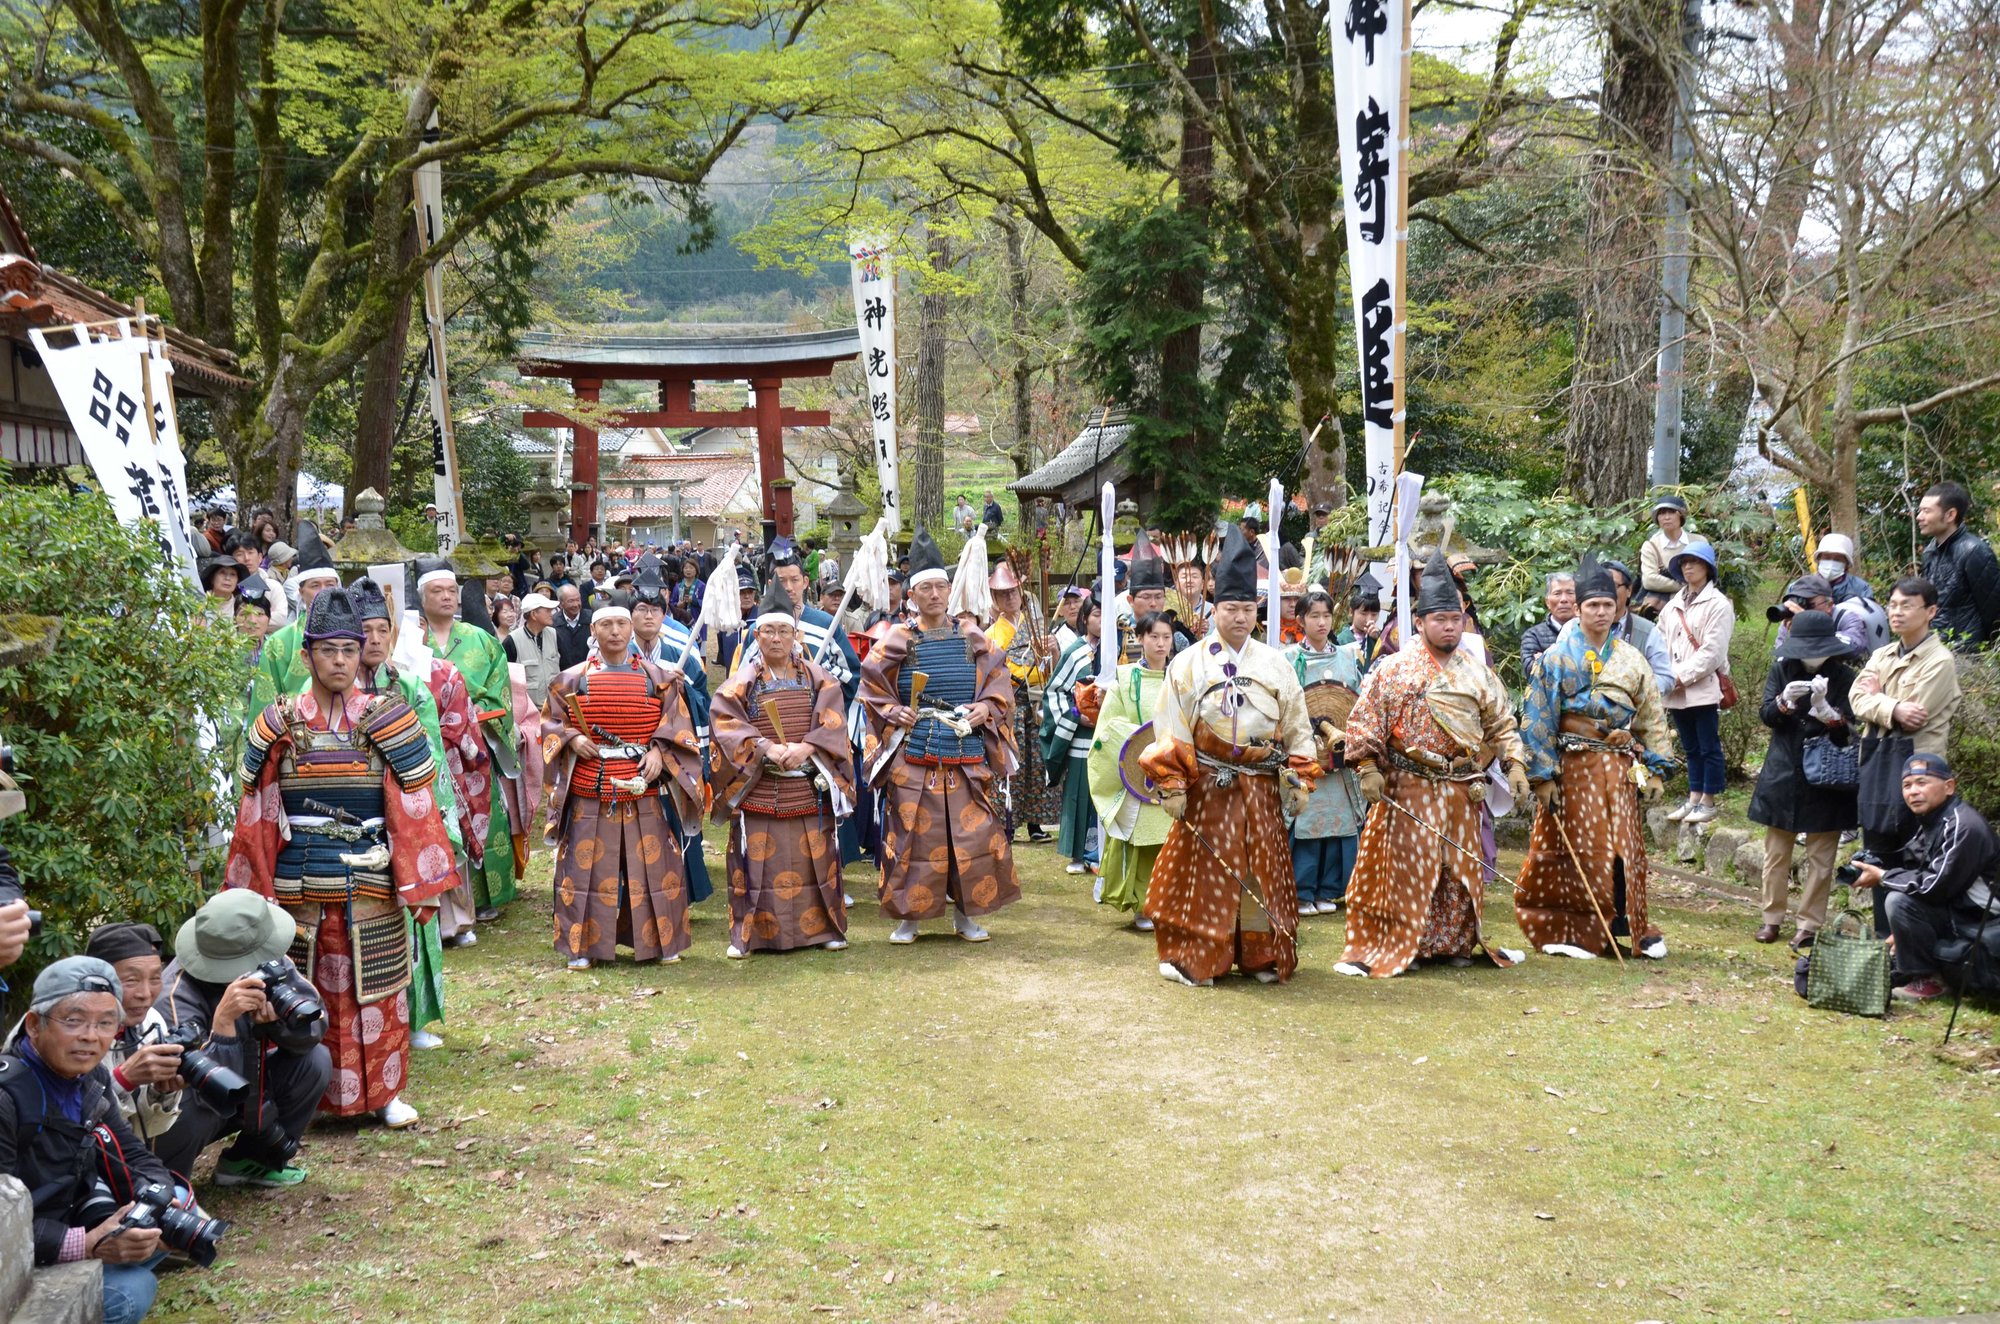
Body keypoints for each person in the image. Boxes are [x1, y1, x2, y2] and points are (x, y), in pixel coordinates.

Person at [224, 587, 455, 1129]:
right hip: (297, 882)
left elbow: (414, 808)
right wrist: (252, 892)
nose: (340, 661)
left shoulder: (388, 718)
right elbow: (256, 813)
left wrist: (417, 883)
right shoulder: (278, 722)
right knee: (300, 990)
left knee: (377, 986)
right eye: (327, 650)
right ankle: (304, 1100)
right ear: (306, 655)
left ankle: (385, 1093)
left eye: (349, 650)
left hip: (370, 876)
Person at [1138, 525, 1318, 986]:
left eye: (1247, 609)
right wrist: (1172, 782)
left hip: (1260, 786)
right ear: (1214, 608)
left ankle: (1259, 957)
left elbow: (1297, 724)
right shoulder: (1188, 662)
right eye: (1231, 609)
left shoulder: (1276, 663)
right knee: (1203, 876)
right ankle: (1198, 956)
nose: (1240, 618)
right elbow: (1170, 726)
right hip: (1208, 787)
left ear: (1257, 610)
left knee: (1260, 874)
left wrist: (1301, 776)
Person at [1338, 549, 1527, 978]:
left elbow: (1502, 722)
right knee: (1408, 866)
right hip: (1410, 785)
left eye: (1456, 619)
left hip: (1462, 787)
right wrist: (1368, 767)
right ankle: (1405, 941)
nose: (1449, 627)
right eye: (1439, 620)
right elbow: (1365, 722)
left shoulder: (1477, 673)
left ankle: (1455, 942)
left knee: (1458, 869)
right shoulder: (1395, 669)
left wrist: (1514, 763)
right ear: (1420, 623)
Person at [858, 528, 1022, 944]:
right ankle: (908, 917)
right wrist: (895, 710)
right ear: (911, 595)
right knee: (914, 833)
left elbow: (998, 680)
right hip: (916, 747)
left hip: (966, 743)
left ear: (950, 591)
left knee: (973, 834)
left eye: (940, 586)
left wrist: (986, 707)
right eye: (925, 588)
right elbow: (871, 685)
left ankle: (967, 915)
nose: (933, 594)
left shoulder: (972, 635)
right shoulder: (897, 638)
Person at [1514, 555, 1677, 960]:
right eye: (1593, 605)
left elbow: (1652, 715)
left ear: (1618, 607)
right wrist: (1543, 776)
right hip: (1574, 767)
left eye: (1607, 605)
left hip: (1619, 768)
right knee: (1577, 848)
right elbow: (1537, 718)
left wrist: (1655, 769)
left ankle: (1627, 923)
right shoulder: (1555, 658)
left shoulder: (1631, 658)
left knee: (1625, 847)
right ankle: (1575, 927)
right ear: (1580, 609)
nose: (1601, 612)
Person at [0, 958, 173, 1324]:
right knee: (128, 1293)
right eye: (73, 1020)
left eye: (106, 1023)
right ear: (34, 1025)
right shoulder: (7, 1096)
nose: (90, 1036)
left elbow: (133, 1155)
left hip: (67, 1217)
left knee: (166, 1224)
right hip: (14, 1250)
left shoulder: (91, 1078)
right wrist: (86, 1243)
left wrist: (157, 1203)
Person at [543, 602, 706, 971]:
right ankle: (581, 945)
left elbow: (677, 724)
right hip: (591, 783)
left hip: (641, 784)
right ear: (594, 631)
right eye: (606, 625)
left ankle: (662, 942)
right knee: (585, 869)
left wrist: (660, 752)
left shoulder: (658, 678)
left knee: (653, 864)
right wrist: (570, 738)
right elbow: (550, 721)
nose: (615, 631)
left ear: (631, 629)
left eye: (621, 624)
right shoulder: (570, 679)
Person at [707, 581, 856, 958]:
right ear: (757, 635)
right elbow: (725, 721)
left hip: (807, 783)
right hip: (762, 784)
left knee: (816, 862)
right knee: (758, 866)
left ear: (796, 634)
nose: (776, 638)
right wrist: (765, 747)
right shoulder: (744, 681)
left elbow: (835, 719)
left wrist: (808, 746)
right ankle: (751, 935)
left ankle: (824, 928)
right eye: (768, 631)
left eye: (784, 631)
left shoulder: (816, 676)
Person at [151, 893, 331, 1189]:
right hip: (196, 1106)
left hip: (249, 1091)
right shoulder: (175, 996)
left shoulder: (269, 960)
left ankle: (252, 1161)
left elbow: (314, 1022)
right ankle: (168, 1188)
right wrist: (223, 1024)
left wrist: (279, 1024)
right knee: (186, 1101)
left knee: (315, 1061)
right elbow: (191, 1087)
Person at [350, 579, 465, 1036]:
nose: (375, 640)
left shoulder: (412, 687)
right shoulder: (317, 692)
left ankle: (414, 1018)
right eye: (366, 631)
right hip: (351, 817)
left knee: (413, 915)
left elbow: (431, 755)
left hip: (408, 814)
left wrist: (435, 822)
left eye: (383, 630)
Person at [1849, 577, 1961, 932]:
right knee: (1876, 854)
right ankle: (1885, 944)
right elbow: (1855, 699)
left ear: (1930, 612)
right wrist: (1892, 707)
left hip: (1918, 774)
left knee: (1912, 856)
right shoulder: (1882, 654)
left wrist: (1879, 698)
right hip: (1878, 764)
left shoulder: (1939, 661)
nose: (1896, 612)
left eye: (1906, 605)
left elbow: (1916, 716)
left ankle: (1911, 949)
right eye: (1893, 604)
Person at [1745, 610, 1858, 949]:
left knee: (1821, 858)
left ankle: (1808, 924)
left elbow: (1848, 734)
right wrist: (1784, 701)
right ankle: (1771, 918)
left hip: (1827, 776)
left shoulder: (1844, 678)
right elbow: (1766, 715)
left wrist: (1828, 713)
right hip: (1784, 769)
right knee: (1776, 853)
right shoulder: (1782, 669)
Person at [1852, 753, 2000, 1001]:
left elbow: (1934, 886)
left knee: (1899, 900)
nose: (1913, 792)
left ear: (1949, 786)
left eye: (1922, 783)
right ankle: (1914, 971)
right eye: (1907, 785)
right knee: (1901, 897)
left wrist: (1883, 876)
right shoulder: (1933, 820)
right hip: (1957, 908)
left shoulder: (1963, 826)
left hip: (1983, 917)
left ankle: (1929, 980)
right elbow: (1915, 867)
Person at [419, 559, 519, 921]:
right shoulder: (411, 639)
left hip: (471, 741)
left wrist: (475, 711)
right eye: (437, 591)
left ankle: (488, 895)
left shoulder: (480, 638)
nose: (446, 597)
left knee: (482, 811)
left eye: (451, 591)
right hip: (425, 742)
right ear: (422, 597)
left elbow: (500, 689)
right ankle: (441, 900)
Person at [1087, 611, 1173, 930]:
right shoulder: (1125, 679)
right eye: (1154, 637)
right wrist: (1138, 742)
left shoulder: (1178, 678)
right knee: (1143, 840)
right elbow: (1109, 728)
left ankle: (1168, 902)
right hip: (1138, 771)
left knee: (1170, 839)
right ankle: (1143, 904)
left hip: (1173, 769)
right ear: (1140, 638)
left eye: (1166, 637)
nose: (1160, 643)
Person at [1284, 588, 1366, 915]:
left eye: (1326, 616)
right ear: (1301, 619)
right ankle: (1302, 891)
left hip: (1339, 753)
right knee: (1307, 822)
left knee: (1338, 823)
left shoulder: (1348, 658)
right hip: (1305, 753)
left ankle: (1329, 890)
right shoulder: (1289, 659)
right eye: (1314, 616)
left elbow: (1359, 702)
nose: (1321, 622)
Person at [1655, 540, 1734, 825]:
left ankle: (1708, 801)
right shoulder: (1673, 604)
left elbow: (1713, 653)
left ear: (1707, 568)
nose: (1688, 567)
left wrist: (1679, 677)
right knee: (1689, 746)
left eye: (1695, 562)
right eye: (1684, 563)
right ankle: (1694, 797)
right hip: (1675, 688)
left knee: (1707, 744)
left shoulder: (1718, 604)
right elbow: (1659, 642)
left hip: (1701, 687)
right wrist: (1665, 675)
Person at [983, 562, 1058, 844]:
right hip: (1010, 701)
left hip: (1037, 700)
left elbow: (1053, 667)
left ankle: (1036, 823)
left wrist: (1053, 650)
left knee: (1037, 762)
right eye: (1002, 595)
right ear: (995, 600)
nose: (1010, 598)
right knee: (1012, 761)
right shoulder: (990, 635)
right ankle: (1008, 821)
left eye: (1013, 592)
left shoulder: (1038, 627)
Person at [1042, 596, 1103, 876]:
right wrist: (1076, 715)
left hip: (1112, 733)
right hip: (1082, 733)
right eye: (1097, 615)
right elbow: (1054, 691)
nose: (1101, 622)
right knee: (1080, 791)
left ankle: (1104, 854)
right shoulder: (1076, 652)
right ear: (1086, 619)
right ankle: (1079, 854)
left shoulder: (1122, 648)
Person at [253, 522, 340, 709]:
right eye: (315, 585)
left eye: (330, 585)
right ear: (301, 592)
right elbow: (265, 703)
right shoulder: (279, 642)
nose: (323, 592)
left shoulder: (354, 638)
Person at [1917, 480, 2000, 651]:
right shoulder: (1930, 552)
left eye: (1926, 511)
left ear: (1950, 515)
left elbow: (1994, 612)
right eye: (1920, 511)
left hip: (1969, 656)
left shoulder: (1975, 551)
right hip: (1935, 650)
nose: (1919, 517)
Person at [1773, 573, 1870, 662]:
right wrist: (1794, 634)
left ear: (1829, 605)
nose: (1804, 610)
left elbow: (1854, 647)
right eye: (1800, 604)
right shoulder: (1790, 622)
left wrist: (1811, 628)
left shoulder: (1847, 617)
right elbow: (1781, 660)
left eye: (1809, 605)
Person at [1638, 493, 1696, 618]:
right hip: (1662, 610)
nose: (1666, 517)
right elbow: (1649, 580)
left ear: (1681, 514)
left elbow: (1706, 574)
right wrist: (1685, 586)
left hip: (1695, 606)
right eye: (1662, 513)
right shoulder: (1651, 546)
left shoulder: (1698, 542)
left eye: (1671, 512)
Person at [509, 591, 562, 709]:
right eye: (547, 611)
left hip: (555, 707)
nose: (551, 614)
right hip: (529, 711)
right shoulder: (512, 640)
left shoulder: (554, 634)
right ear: (533, 614)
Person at [1518, 572, 1577, 677]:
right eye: (1557, 593)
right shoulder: (1533, 636)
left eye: (1570, 593)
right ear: (1548, 602)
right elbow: (1533, 671)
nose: (1564, 599)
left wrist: (1546, 659)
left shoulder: (1590, 631)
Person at [1813, 533, 1873, 604]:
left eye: (1837, 559)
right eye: (1827, 557)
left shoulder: (1861, 588)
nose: (1831, 563)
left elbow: (1870, 612)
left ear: (1847, 564)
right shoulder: (1804, 586)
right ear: (1819, 559)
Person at [553, 584, 594, 670]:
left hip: (589, 671)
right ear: (561, 604)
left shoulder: (592, 618)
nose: (576, 604)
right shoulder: (553, 623)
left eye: (578, 600)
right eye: (571, 601)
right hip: (564, 674)